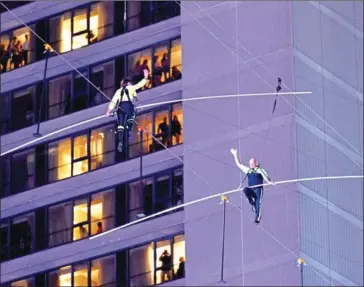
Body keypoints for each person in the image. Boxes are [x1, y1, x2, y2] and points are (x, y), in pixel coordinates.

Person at [105, 69, 149, 152]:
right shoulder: (131, 88)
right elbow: (139, 85)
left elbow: (113, 102)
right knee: (131, 116)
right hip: (128, 106)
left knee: (120, 125)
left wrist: (108, 112)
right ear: (128, 83)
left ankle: (120, 141)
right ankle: (129, 130)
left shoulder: (118, 91)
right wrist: (146, 77)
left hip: (121, 107)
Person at [230, 148, 275, 224]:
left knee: (258, 203)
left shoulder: (260, 170)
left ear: (255, 163)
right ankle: (252, 203)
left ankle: (257, 218)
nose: (251, 165)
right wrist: (235, 155)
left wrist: (270, 182)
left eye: (252, 163)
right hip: (251, 189)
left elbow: (266, 177)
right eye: (250, 164)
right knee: (245, 189)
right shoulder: (249, 170)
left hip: (258, 189)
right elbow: (239, 164)